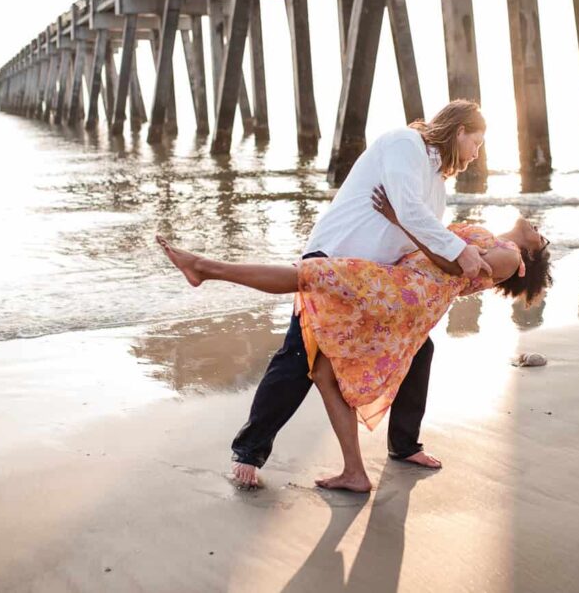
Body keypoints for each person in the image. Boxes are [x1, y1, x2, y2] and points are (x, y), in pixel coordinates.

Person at [155, 187, 552, 492]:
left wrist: (402, 220)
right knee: (324, 372)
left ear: (530, 260)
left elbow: (454, 265)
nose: (541, 232)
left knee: (310, 275)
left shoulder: (511, 259)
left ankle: (205, 268)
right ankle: (355, 471)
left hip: (399, 292)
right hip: (402, 290)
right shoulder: (496, 241)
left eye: (544, 240)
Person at [219, 100, 490, 489]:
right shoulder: (405, 144)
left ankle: (404, 445)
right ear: (459, 130)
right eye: (476, 142)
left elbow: (417, 232)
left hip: (371, 281)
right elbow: (408, 209)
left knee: (419, 348)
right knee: (299, 357)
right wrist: (460, 251)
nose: (476, 153)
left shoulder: (436, 182)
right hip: (332, 261)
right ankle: (248, 452)